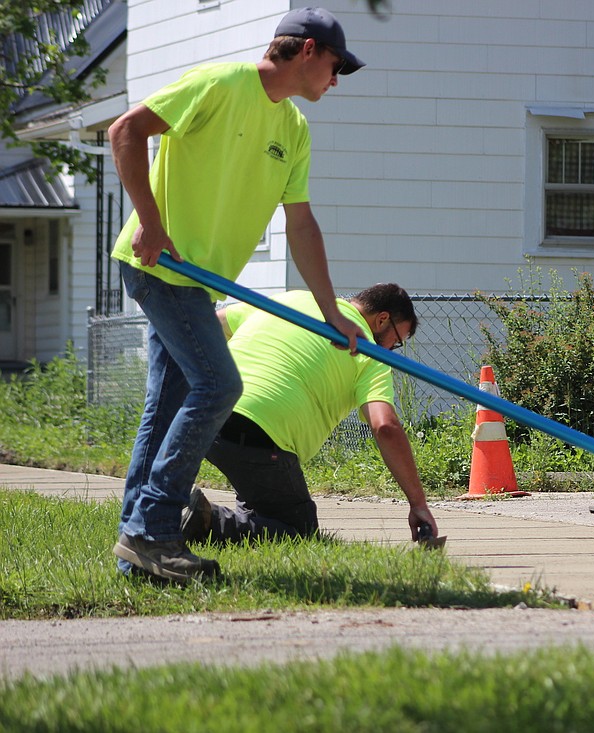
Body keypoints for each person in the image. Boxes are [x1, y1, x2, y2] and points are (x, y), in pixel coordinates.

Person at [109, 7, 368, 583]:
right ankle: (153, 530)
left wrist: (334, 314)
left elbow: (301, 227)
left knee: (169, 403)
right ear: (306, 51)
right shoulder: (218, 85)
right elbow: (124, 131)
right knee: (220, 384)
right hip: (158, 265)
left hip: (198, 281)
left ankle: (138, 540)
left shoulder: (294, 130)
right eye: (335, 67)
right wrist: (150, 221)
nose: (336, 79)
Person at [180, 285, 438, 545]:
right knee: (298, 530)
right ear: (382, 319)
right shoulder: (368, 350)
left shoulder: (294, 298)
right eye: (396, 341)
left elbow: (213, 324)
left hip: (205, 412)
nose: (391, 348)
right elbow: (385, 426)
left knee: (262, 495)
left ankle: (174, 508)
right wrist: (418, 503)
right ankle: (202, 519)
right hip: (261, 437)